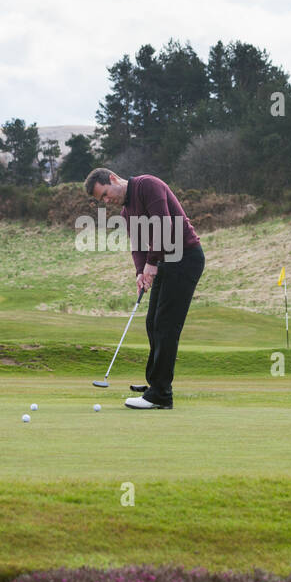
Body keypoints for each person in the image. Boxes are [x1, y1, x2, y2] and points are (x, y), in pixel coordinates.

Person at [84, 168, 205, 409]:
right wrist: (141, 271)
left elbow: (164, 226)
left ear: (113, 179)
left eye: (106, 194)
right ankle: (155, 384)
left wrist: (151, 263)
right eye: (102, 200)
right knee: (153, 322)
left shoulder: (148, 185)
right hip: (165, 261)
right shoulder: (128, 211)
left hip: (185, 258)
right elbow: (138, 245)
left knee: (165, 325)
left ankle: (161, 394)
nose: (107, 201)